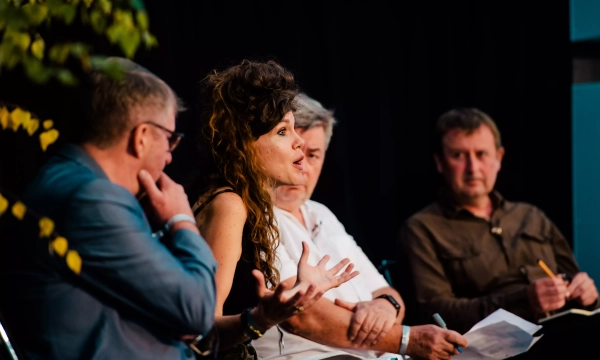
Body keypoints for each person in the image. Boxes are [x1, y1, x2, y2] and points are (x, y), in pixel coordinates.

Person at [0, 58, 218, 359]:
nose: (169, 157)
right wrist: (182, 219)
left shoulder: (71, 180)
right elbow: (195, 309)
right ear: (141, 137)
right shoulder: (92, 199)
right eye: (169, 139)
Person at [251, 93, 468, 360]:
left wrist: (382, 308)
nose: (303, 166)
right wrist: (407, 340)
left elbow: (386, 292)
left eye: (314, 155)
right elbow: (302, 316)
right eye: (294, 152)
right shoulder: (254, 214)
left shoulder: (321, 213)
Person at [185, 60, 359, 359]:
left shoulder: (246, 203)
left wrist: (299, 296)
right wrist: (261, 319)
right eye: (282, 131)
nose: (299, 142)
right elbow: (199, 335)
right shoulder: (229, 204)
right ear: (244, 145)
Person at [398, 107, 599, 334]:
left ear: (499, 158)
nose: (473, 168)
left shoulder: (531, 216)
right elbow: (436, 314)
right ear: (440, 163)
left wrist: (589, 297)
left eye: (481, 154)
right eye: (458, 156)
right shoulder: (423, 229)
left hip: (565, 338)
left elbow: (576, 287)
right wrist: (524, 302)